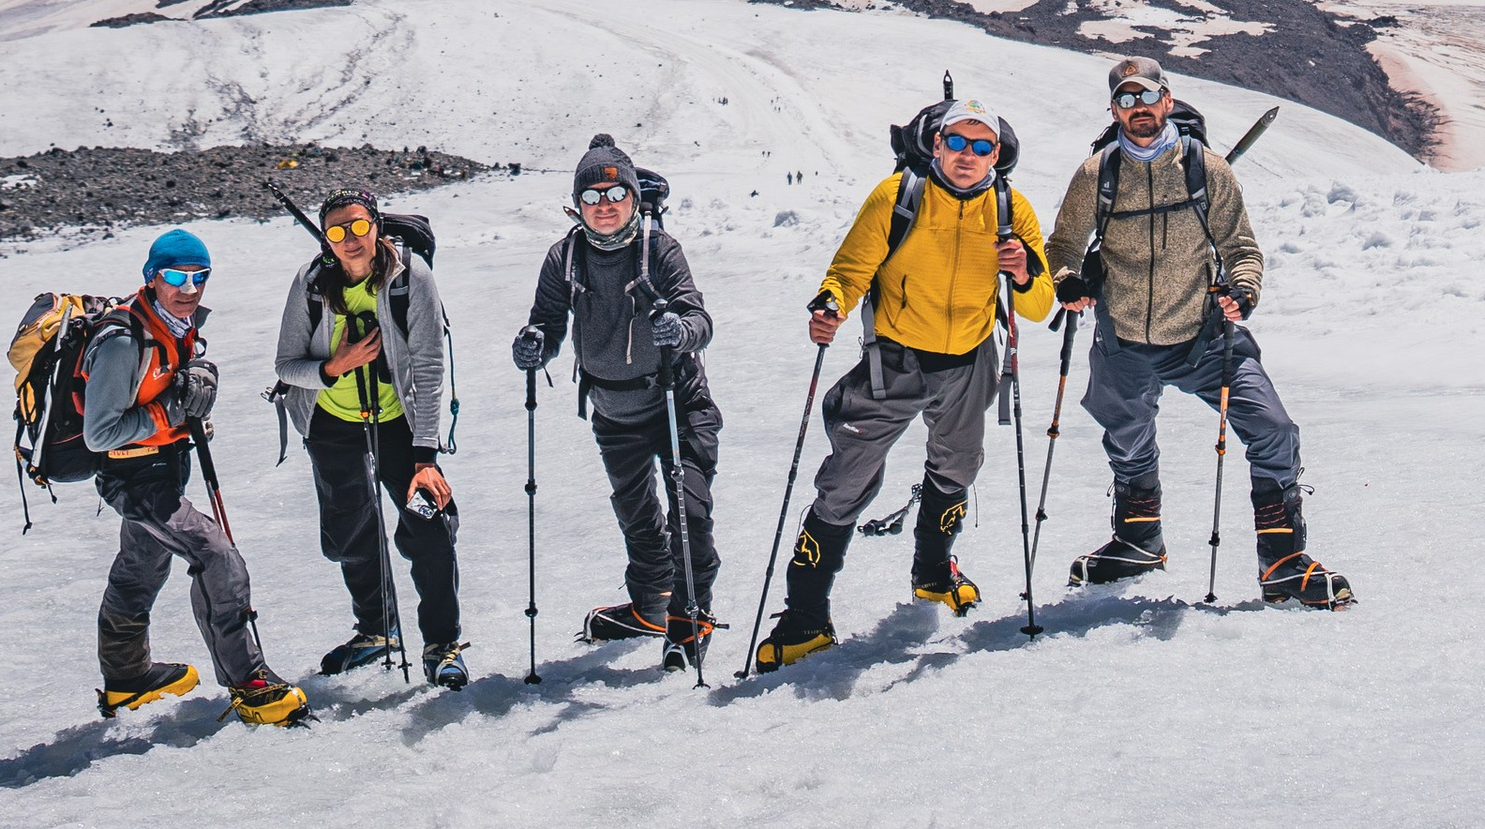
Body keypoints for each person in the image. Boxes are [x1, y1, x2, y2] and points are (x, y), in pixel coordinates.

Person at [755, 95, 1053, 670]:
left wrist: (1023, 271)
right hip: (892, 359)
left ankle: (934, 572)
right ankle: (805, 617)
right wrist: (831, 305)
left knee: (958, 465)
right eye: (957, 143)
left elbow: (1037, 305)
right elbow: (850, 270)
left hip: (969, 360)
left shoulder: (1013, 210)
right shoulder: (897, 198)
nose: (968, 156)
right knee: (846, 482)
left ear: (997, 153)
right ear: (935, 144)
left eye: (981, 146)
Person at [1046, 58, 1351, 609]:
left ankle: (1281, 559)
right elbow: (1063, 245)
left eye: (1147, 97)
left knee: (1272, 428)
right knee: (1126, 434)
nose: (1138, 110)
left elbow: (1241, 248)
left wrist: (1245, 288)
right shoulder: (1097, 173)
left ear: (1167, 101)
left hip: (1204, 337)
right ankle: (1140, 540)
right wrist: (1067, 281)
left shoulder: (1205, 169)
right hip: (1123, 339)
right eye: (1126, 100)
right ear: (1114, 110)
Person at [512, 134, 722, 667]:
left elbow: (699, 320)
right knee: (637, 514)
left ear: (632, 198)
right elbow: (548, 320)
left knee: (688, 511)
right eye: (591, 198)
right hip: (612, 408)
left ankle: (688, 617)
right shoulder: (565, 257)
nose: (604, 208)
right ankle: (652, 604)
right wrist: (536, 342)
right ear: (576, 204)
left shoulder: (659, 249)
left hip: (678, 403)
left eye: (614, 196)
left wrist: (682, 330)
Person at [84, 228, 308, 724]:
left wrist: (193, 395)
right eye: (175, 276)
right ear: (152, 277)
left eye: (198, 277)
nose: (188, 288)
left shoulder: (173, 324)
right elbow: (100, 433)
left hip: (164, 469)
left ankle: (127, 679)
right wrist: (170, 413)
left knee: (140, 568)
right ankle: (249, 684)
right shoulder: (124, 340)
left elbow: (167, 388)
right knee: (216, 556)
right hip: (134, 478)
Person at [272, 193, 468, 689]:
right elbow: (286, 365)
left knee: (431, 527)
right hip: (332, 424)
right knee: (350, 533)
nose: (349, 240)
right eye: (335, 232)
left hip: (398, 423)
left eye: (357, 227)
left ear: (376, 226)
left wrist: (426, 456)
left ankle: (442, 643)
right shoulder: (312, 282)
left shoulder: (410, 277)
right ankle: (377, 629)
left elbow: (427, 365)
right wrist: (334, 366)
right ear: (325, 239)